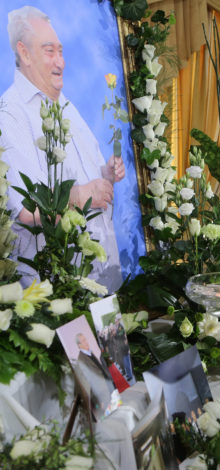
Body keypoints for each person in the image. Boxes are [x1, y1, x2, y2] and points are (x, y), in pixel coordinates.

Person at [0, 6, 125, 292]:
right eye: (49, 51)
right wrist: (81, 195)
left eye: (61, 51)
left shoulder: (62, 104)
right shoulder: (11, 114)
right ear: (24, 53)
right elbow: (26, 211)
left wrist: (105, 172)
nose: (61, 62)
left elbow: (84, 179)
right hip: (59, 292)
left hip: (101, 281)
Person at [73, 332, 115, 416]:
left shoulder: (89, 352)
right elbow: (87, 384)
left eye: (85, 340)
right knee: (112, 416)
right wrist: (98, 401)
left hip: (109, 387)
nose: (86, 342)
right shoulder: (81, 360)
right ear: (79, 345)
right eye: (83, 341)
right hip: (102, 396)